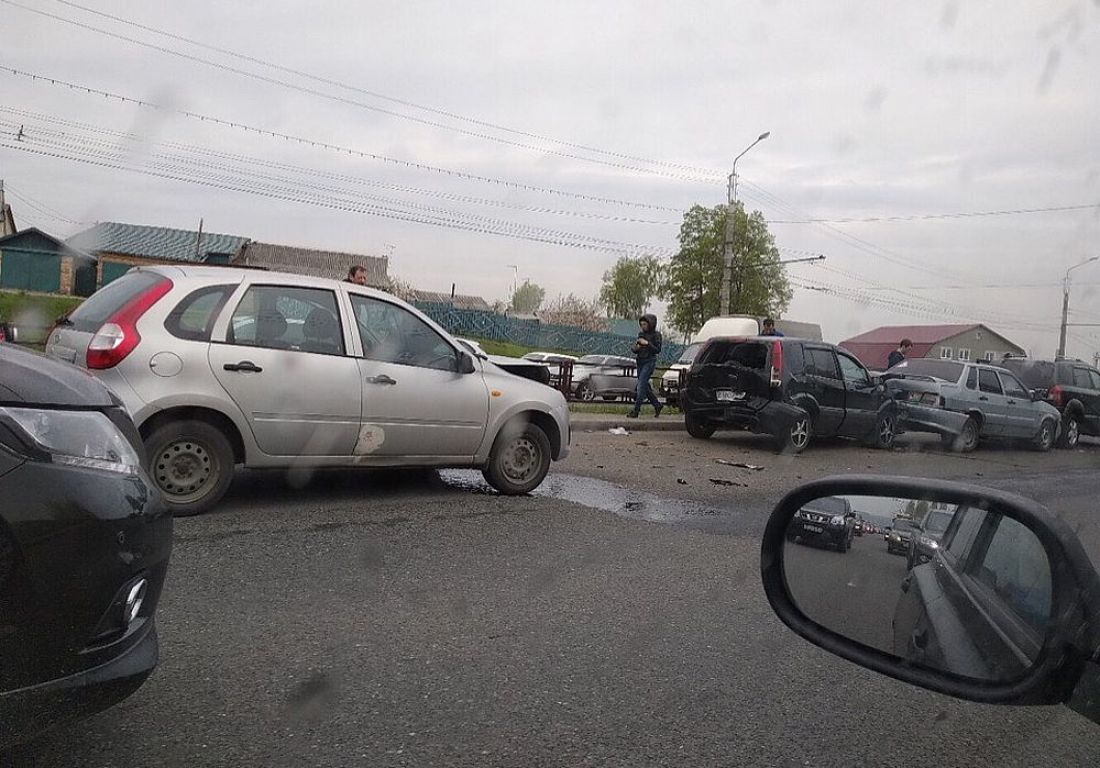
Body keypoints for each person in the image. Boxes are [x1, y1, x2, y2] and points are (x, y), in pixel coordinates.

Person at [628, 313, 663, 418]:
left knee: (641, 386)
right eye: (641, 324)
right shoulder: (641, 334)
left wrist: (647, 343)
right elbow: (635, 348)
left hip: (649, 361)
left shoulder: (656, 335)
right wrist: (636, 348)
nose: (643, 326)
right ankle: (657, 405)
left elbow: (657, 350)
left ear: (650, 324)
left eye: (645, 324)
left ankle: (636, 410)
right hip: (640, 361)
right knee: (644, 387)